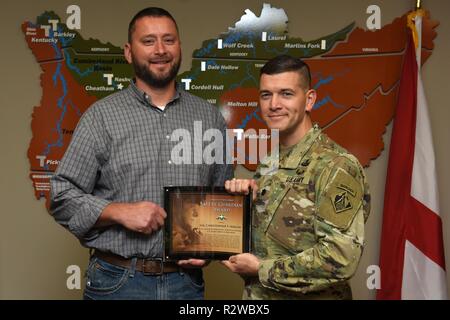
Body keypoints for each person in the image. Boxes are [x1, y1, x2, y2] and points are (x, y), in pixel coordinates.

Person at [50, 7, 233, 300]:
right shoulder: (101, 117)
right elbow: (61, 196)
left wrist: (208, 249)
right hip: (117, 282)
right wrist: (119, 211)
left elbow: (222, 197)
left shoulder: (210, 118)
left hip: (186, 284)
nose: (160, 50)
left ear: (179, 47)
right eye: (148, 41)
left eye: (168, 40)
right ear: (128, 52)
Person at [223, 55, 370, 300]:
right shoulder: (270, 163)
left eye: (286, 94)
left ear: (309, 99)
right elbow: (270, 243)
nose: (274, 104)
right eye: (266, 95)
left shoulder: (336, 165)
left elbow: (339, 258)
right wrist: (240, 205)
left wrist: (261, 269)